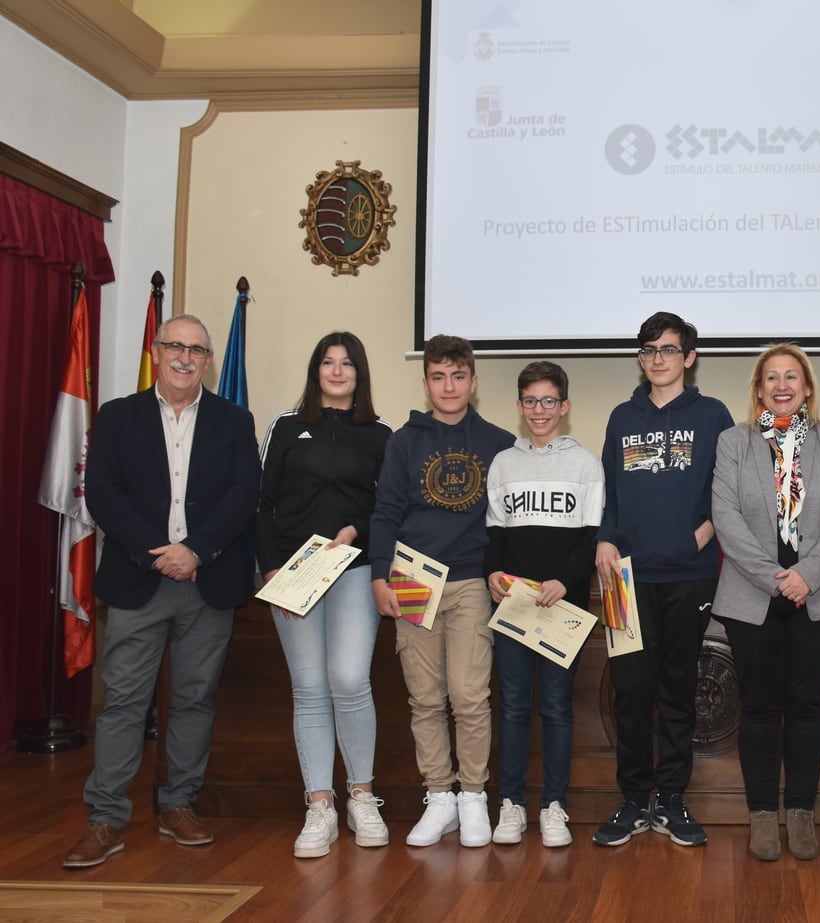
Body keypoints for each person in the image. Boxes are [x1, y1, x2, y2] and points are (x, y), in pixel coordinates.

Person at [64, 315, 259, 869]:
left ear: (208, 360)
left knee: (194, 701)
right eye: (175, 345)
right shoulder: (118, 417)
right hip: (138, 579)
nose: (184, 356)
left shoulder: (233, 420)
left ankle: (178, 805)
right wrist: (159, 551)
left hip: (207, 581)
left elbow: (243, 495)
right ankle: (105, 819)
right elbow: (102, 493)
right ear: (156, 350)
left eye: (197, 349)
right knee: (124, 703)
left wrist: (195, 551)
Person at [592, 312, 734, 848]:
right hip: (623, 581)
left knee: (677, 690)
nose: (658, 359)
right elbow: (609, 488)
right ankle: (633, 801)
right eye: (649, 350)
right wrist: (605, 537)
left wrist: (699, 537)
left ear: (689, 358)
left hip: (689, 576)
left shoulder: (713, 415)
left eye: (668, 350)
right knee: (629, 692)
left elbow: (729, 492)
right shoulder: (621, 416)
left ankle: (672, 800)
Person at [711, 344, 820, 861]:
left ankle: (799, 812)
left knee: (805, 707)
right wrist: (778, 579)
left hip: (815, 597)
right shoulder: (734, 442)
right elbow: (725, 516)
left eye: (791, 376)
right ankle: (761, 817)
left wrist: (807, 576)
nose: (781, 384)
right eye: (770, 377)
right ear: (757, 388)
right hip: (752, 595)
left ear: (807, 387)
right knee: (757, 708)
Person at [368, 335, 515, 849]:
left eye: (458, 376)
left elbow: (509, 521)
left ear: (473, 383)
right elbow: (386, 511)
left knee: (469, 696)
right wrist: (380, 576)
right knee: (424, 699)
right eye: (438, 376)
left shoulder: (499, 443)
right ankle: (440, 798)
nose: (448, 386)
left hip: (473, 579)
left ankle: (473, 797)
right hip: (411, 580)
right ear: (426, 382)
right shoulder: (403, 442)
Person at [254, 332, 393, 858]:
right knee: (309, 687)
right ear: (316, 371)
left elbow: (389, 506)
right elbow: (262, 504)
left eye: (347, 363)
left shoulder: (381, 434)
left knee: (349, 679)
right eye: (328, 363)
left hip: (354, 571)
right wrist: (271, 569)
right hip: (293, 576)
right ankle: (319, 805)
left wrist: (356, 530)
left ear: (360, 373)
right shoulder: (286, 428)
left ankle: (362, 795)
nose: (337, 371)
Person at [484, 361, 604, 849]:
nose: (539, 410)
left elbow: (592, 537)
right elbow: (494, 533)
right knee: (512, 706)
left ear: (565, 406)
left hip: (563, 605)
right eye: (530, 401)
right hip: (513, 605)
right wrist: (493, 570)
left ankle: (554, 805)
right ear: (519, 407)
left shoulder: (585, 464)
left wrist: (564, 580)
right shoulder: (503, 463)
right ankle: (511, 804)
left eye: (548, 401)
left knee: (555, 708)